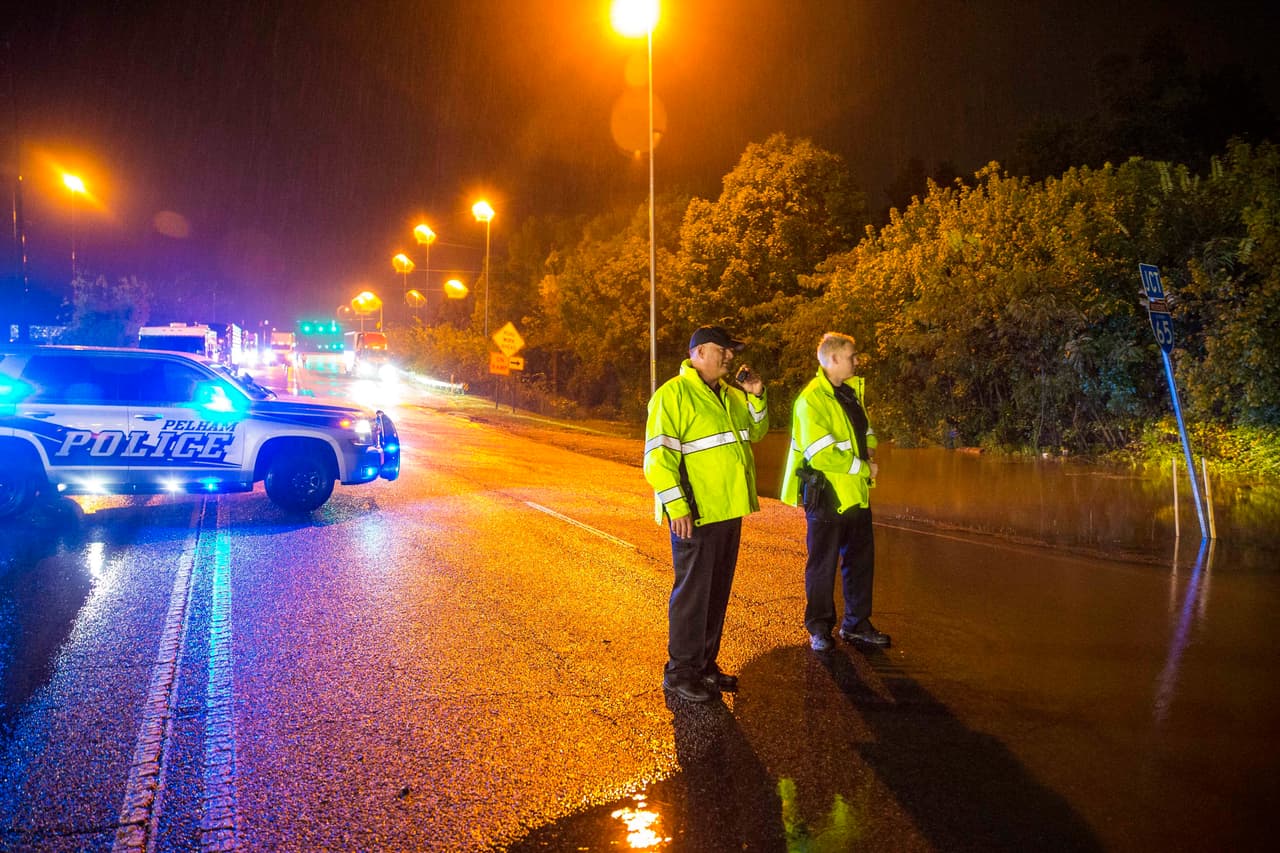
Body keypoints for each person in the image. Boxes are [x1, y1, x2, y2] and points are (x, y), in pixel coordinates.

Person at [644, 326, 769, 702]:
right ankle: (680, 671)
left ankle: (704, 666)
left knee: (716, 592)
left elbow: (758, 433)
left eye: (732, 351)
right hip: (695, 513)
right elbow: (657, 458)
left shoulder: (731, 396)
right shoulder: (673, 395)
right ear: (698, 353)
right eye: (723, 349)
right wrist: (676, 505)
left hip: (728, 509)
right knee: (692, 594)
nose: (729, 356)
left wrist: (757, 398)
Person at [780, 332, 891, 652]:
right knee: (822, 566)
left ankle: (857, 624)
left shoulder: (850, 393)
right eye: (851, 356)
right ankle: (819, 628)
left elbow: (865, 430)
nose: (856, 361)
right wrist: (863, 468)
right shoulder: (811, 400)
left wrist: (869, 452)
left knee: (859, 563)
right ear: (832, 360)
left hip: (855, 493)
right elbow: (822, 454)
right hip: (827, 496)